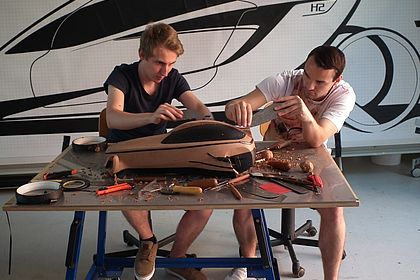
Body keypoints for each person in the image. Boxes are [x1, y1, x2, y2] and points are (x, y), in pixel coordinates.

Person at [224, 45, 356, 280]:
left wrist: (305, 113)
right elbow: (239, 105)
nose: (309, 86)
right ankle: (248, 264)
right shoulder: (283, 81)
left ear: (337, 80)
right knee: (242, 200)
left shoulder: (344, 95)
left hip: (314, 156)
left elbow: (316, 139)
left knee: (335, 210)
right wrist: (237, 107)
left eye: (320, 82)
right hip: (271, 155)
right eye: (306, 74)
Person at [104, 22, 213, 280]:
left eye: (171, 64)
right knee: (128, 193)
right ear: (141, 54)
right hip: (124, 152)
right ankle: (148, 240)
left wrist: (206, 118)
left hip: (160, 150)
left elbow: (196, 105)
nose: (165, 71)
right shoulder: (121, 75)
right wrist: (151, 117)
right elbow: (113, 118)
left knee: (207, 201)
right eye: (159, 63)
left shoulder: (172, 77)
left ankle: (177, 257)